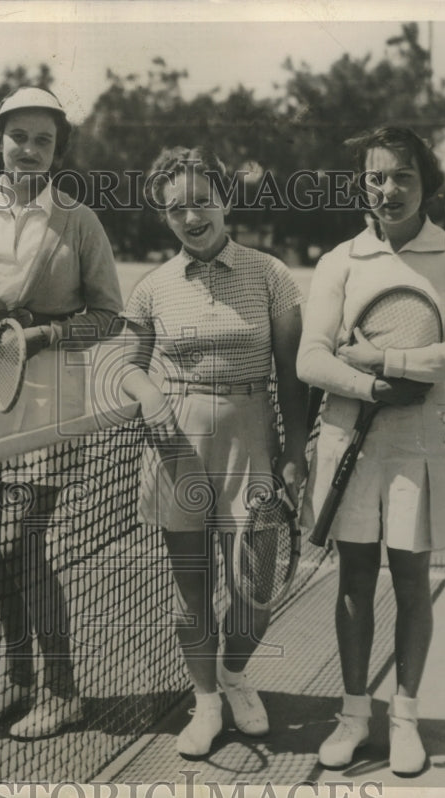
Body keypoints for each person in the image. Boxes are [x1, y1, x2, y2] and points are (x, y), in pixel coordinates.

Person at [0, 86, 124, 740]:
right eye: (20, 137)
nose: (30, 150)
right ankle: (18, 682)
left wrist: (48, 335)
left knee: (21, 542)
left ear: (58, 148)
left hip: (49, 393)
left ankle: (62, 691)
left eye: (44, 140)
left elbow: (108, 314)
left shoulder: (79, 221)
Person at [297, 127, 445, 775]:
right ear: (363, 185)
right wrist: (372, 386)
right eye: (376, 177)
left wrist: (387, 359)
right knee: (353, 579)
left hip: (418, 440)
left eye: (403, 175)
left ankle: (404, 719)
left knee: (410, 579)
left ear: (426, 183)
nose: (389, 189)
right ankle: (354, 716)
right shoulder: (340, 260)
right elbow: (311, 358)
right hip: (350, 435)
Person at [119, 147, 309, 757]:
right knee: (192, 589)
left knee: (255, 591)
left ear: (225, 199)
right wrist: (150, 394)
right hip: (175, 444)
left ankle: (233, 673)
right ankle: (206, 703)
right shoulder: (152, 288)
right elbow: (126, 367)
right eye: (176, 208)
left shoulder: (271, 275)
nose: (191, 217)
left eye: (202, 201)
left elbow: (292, 373)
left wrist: (294, 450)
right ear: (164, 216)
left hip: (251, 438)